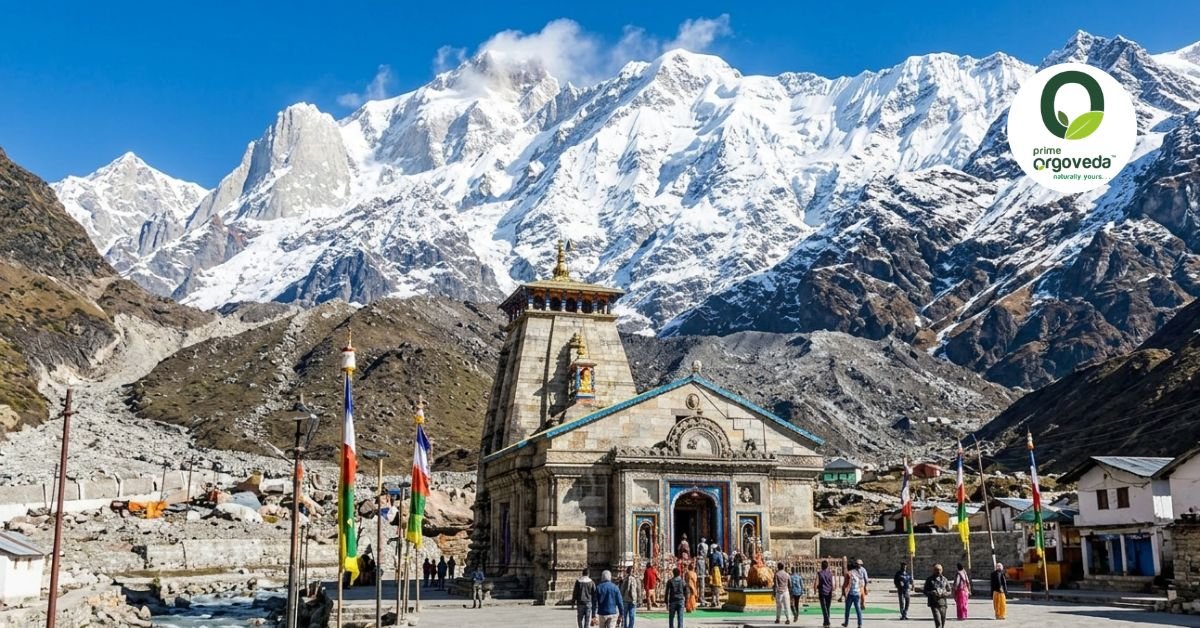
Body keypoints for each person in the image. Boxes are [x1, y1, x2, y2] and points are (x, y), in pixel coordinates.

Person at [841, 562, 863, 628]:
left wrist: (843, 592)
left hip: (850, 594)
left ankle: (846, 623)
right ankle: (860, 623)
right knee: (858, 609)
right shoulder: (858, 573)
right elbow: (861, 584)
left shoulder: (849, 573)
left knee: (847, 609)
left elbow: (846, 584)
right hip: (857, 593)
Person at [817, 560, 834, 628]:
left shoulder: (819, 573)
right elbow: (831, 582)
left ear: (821, 566)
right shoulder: (830, 573)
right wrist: (832, 588)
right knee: (827, 607)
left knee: (824, 608)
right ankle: (825, 622)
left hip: (822, 592)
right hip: (829, 591)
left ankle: (827, 621)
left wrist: (816, 587)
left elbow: (818, 582)